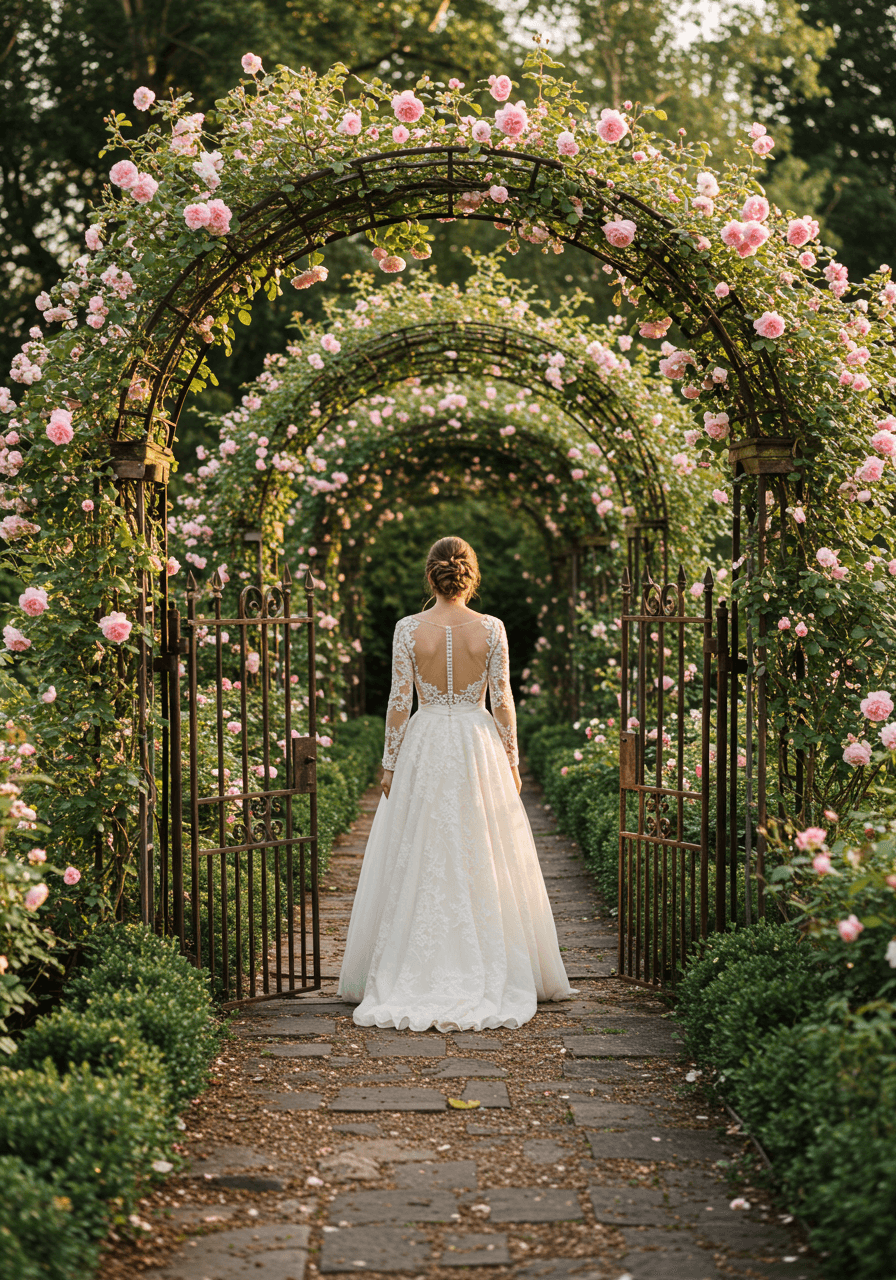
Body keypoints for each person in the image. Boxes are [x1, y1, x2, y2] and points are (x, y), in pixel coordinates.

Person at [337, 536, 573, 1030]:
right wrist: (511, 761)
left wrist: (389, 763)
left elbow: (399, 701)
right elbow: (503, 700)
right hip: (476, 743)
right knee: (481, 845)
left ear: (431, 576)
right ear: (471, 575)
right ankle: (491, 960)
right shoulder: (491, 629)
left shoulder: (407, 629)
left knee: (418, 847)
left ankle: (405, 963)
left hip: (424, 744)